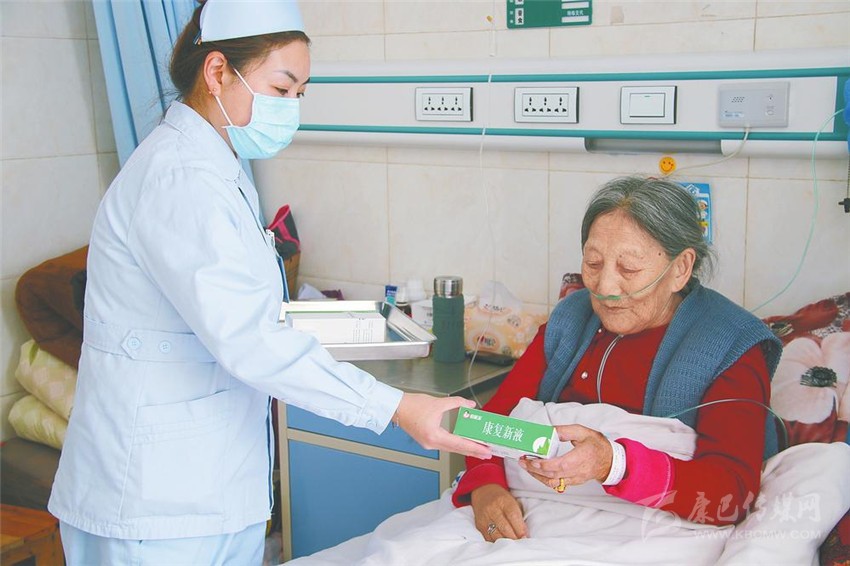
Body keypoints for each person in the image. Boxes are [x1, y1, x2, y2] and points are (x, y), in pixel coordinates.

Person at [47, 1, 489, 563]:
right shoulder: (180, 179)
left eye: (300, 93)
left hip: (204, 489)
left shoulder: (217, 168)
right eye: (281, 89)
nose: (292, 109)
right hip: (152, 502)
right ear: (217, 72)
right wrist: (396, 407)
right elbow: (249, 340)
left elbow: (239, 314)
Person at [452, 175, 783, 542]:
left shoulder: (729, 344)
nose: (605, 287)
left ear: (680, 268)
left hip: (652, 530)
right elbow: (488, 425)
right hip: (536, 512)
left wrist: (614, 464)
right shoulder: (570, 319)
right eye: (593, 263)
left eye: (629, 269)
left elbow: (731, 493)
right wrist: (485, 487)